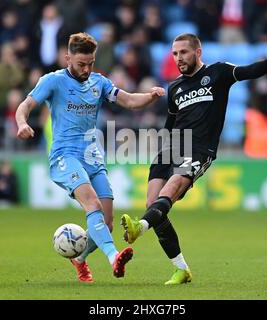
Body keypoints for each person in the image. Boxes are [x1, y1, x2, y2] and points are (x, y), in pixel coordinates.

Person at [121, 33, 267, 285]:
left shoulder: (218, 73)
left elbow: (250, 71)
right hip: (171, 148)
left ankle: (140, 228)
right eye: (174, 54)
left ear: (198, 52)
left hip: (199, 149)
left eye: (183, 52)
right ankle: (181, 269)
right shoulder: (175, 88)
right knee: (153, 203)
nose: (178, 58)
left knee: (169, 191)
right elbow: (170, 124)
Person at [15, 32, 165, 282]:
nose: (86, 69)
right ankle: (114, 257)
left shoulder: (99, 82)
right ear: (68, 59)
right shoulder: (53, 81)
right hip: (65, 156)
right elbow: (26, 105)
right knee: (92, 204)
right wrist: (21, 122)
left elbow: (127, 100)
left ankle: (80, 259)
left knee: (106, 224)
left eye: (91, 63)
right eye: (81, 64)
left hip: (93, 156)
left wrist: (150, 96)